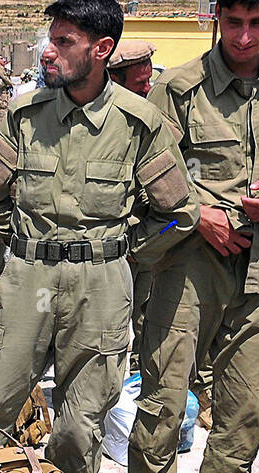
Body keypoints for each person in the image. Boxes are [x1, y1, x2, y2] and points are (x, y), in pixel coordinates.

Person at [0, 0, 196, 473]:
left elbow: (178, 214)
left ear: (101, 50)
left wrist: (125, 252)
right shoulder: (24, 116)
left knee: (82, 418)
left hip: (101, 285)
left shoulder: (139, 124)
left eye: (64, 42)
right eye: (51, 39)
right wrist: (24, 246)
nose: (49, 52)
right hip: (27, 278)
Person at [128, 0, 259, 473]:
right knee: (163, 406)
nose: (243, 37)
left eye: (258, 24)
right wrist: (198, 217)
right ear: (216, 18)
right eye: (233, 23)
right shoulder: (178, 89)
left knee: (244, 414)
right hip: (186, 265)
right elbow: (145, 175)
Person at [107, 38, 158, 372]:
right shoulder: (101, 125)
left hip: (148, 239)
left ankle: (138, 381)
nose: (148, 88)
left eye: (149, 80)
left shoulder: (153, 117)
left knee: (149, 315)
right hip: (110, 248)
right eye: (141, 84)